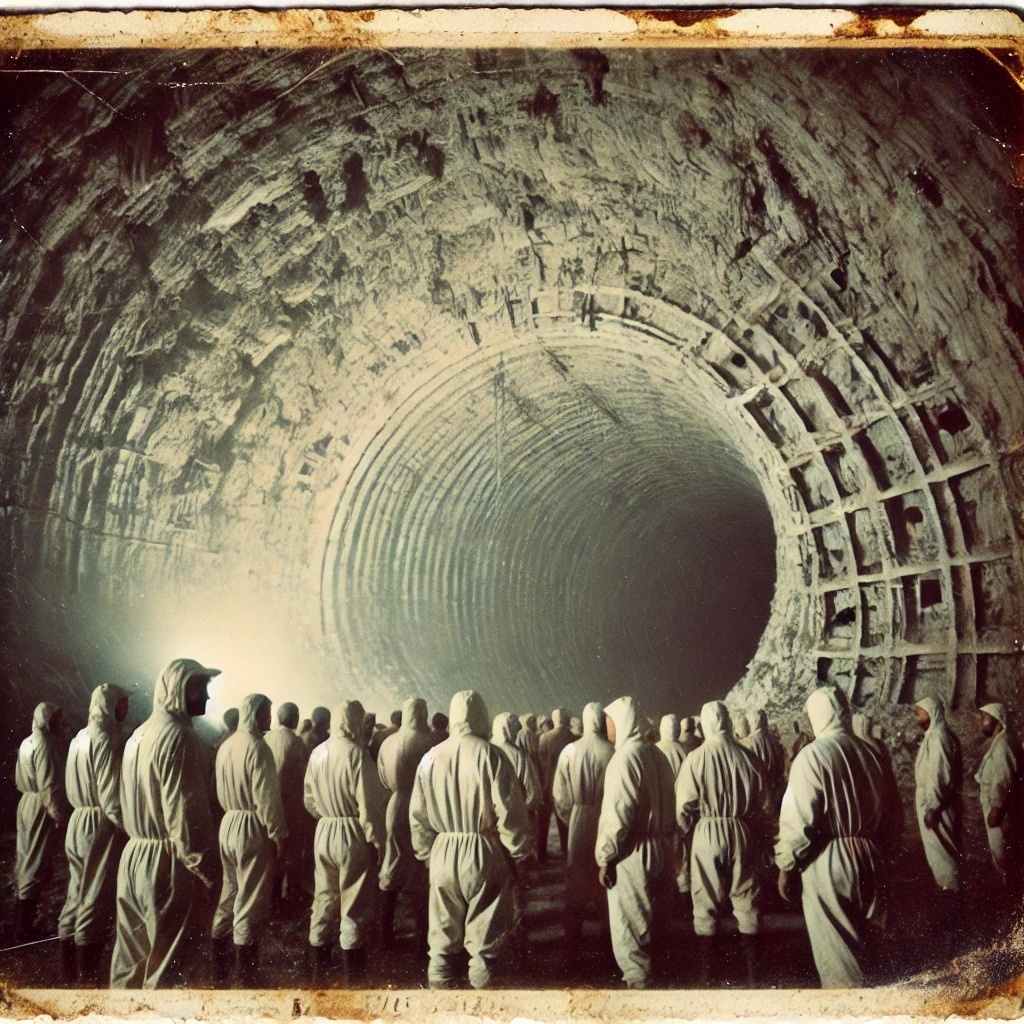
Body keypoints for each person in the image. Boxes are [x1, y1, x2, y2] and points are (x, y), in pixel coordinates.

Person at [775, 686, 900, 989]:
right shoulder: (871, 753)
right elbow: (893, 812)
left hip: (828, 859)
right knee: (874, 954)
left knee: (840, 962)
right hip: (871, 855)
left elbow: (800, 821)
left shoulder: (812, 756)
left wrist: (786, 866)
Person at [410, 690, 533, 989]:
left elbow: (418, 815)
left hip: (442, 851)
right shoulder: (491, 755)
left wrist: (426, 854)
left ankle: (440, 1001)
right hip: (482, 852)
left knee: (441, 941)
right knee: (484, 942)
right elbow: (510, 812)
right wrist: (518, 852)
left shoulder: (430, 758)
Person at [110, 658, 221, 989]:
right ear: (180, 689)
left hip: (134, 857)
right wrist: (207, 870)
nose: (207, 696)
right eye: (200, 688)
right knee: (167, 972)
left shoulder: (138, 734)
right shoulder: (180, 737)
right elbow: (186, 816)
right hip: (169, 863)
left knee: (130, 962)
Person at [677, 701, 767, 985]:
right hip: (741, 829)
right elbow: (765, 803)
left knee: (705, 900)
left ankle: (708, 975)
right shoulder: (747, 756)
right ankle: (752, 976)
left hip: (707, 831)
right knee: (747, 898)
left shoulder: (696, 758)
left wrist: (686, 832)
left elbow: (684, 806)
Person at [595, 695, 675, 990]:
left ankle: (639, 992)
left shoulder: (625, 759)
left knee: (632, 929)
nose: (606, 726)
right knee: (655, 925)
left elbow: (618, 816)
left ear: (623, 721)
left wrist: (606, 857)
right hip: (661, 847)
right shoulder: (658, 755)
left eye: (609, 720)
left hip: (633, 852)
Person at [304, 699, 385, 981]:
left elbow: (309, 799)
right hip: (351, 832)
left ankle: (319, 972)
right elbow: (369, 806)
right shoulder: (357, 754)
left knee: (324, 898)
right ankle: (353, 979)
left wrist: (327, 816)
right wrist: (377, 840)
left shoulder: (317, 753)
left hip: (324, 830)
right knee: (354, 904)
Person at [211, 693, 288, 986]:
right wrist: (278, 833)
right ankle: (246, 976)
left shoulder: (226, 745)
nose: (269, 718)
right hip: (250, 827)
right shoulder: (258, 748)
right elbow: (267, 798)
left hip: (228, 822)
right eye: (266, 713)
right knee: (250, 900)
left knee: (229, 892)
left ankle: (219, 968)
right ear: (255, 715)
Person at [58, 684, 129, 985]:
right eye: (122, 704)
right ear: (110, 706)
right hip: (99, 823)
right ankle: (87, 979)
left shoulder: (79, 736)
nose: (125, 709)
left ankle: (69, 971)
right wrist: (126, 826)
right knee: (95, 898)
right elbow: (109, 794)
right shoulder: (105, 738)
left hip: (78, 819)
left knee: (76, 892)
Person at [552, 701, 614, 969]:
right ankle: (608, 949)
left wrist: (572, 819)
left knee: (575, 885)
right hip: (604, 818)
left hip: (579, 820)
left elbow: (560, 796)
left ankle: (571, 950)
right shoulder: (612, 751)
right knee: (605, 884)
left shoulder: (569, 751)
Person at [377, 697, 434, 950]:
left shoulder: (388, 741)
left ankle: (385, 932)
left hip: (395, 804)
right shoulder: (428, 742)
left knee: (392, 864)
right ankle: (422, 937)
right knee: (419, 870)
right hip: (421, 807)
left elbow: (383, 778)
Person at [14, 701, 68, 942]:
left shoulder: (28, 741)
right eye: (55, 719)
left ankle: (22, 922)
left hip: (26, 802)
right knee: (35, 862)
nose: (58, 723)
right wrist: (58, 815)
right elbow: (48, 784)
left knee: (26, 858)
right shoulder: (44, 744)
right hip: (39, 805)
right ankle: (23, 928)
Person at [913, 696, 963, 955]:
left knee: (945, 861)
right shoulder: (934, 736)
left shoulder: (939, 738)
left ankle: (953, 923)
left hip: (937, 808)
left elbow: (938, 775)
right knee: (940, 860)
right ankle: (950, 920)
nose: (916, 717)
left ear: (931, 713)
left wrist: (932, 807)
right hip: (933, 805)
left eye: (919, 713)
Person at [265, 701, 309, 902]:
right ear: (295, 718)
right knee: (292, 851)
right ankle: (290, 893)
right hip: (290, 803)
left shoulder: (266, 737)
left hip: (268, 801)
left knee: (273, 852)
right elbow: (303, 775)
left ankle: (273, 895)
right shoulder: (296, 742)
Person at [976, 702, 1021, 892]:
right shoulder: (1002, 741)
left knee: (1004, 854)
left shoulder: (1002, 745)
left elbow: (1004, 780)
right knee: (1004, 855)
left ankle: (1010, 894)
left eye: (984, 719)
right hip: (999, 807)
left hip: (1000, 811)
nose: (981, 723)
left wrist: (997, 808)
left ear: (996, 720)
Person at [537, 708, 575, 862]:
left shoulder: (545, 738)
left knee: (544, 822)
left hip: (549, 782)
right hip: (567, 784)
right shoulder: (572, 737)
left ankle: (541, 855)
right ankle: (567, 852)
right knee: (564, 820)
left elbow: (542, 763)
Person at [747, 709, 787, 810]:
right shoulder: (776, 744)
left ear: (753, 722)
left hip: (760, 797)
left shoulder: (749, 744)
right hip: (777, 794)